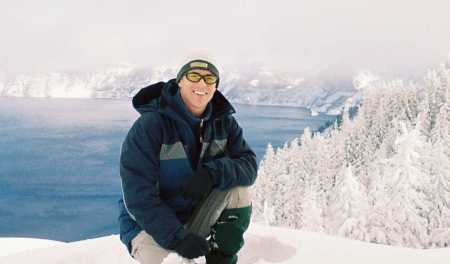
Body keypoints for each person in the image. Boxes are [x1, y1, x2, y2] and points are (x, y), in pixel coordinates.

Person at [117, 58, 258, 264]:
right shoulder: (150, 126)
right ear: (180, 81)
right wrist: (177, 238)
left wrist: (213, 172)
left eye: (209, 79)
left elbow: (249, 166)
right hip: (148, 226)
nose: (202, 84)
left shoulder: (224, 123)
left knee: (238, 190)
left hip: (195, 217)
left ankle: (220, 256)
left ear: (215, 86)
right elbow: (138, 196)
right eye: (194, 76)